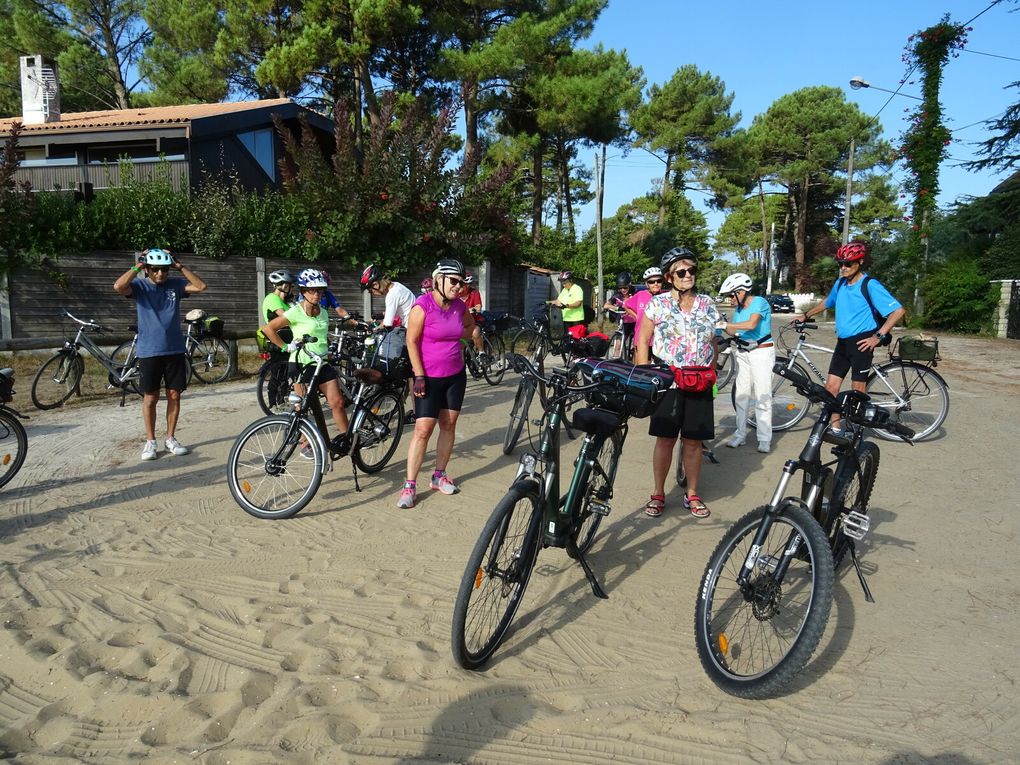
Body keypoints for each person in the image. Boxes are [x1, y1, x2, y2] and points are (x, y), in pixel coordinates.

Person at [634, 247, 719, 519]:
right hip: (669, 380)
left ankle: (692, 493)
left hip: (699, 380)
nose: (688, 275)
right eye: (682, 272)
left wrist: (713, 369)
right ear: (670, 277)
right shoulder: (656, 304)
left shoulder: (707, 304)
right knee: (665, 439)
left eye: (692, 270)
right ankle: (658, 493)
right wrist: (645, 374)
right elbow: (642, 340)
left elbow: (714, 340)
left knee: (694, 442)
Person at [397, 259, 484, 509]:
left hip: (455, 374)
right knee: (423, 429)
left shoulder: (459, 307)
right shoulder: (421, 306)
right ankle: (409, 486)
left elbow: (470, 326)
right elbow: (411, 341)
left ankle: (438, 476)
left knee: (448, 424)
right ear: (438, 280)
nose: (459, 287)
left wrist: (462, 336)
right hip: (428, 377)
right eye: (454, 281)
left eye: (461, 282)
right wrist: (419, 374)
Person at [793, 241, 905, 434]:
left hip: (862, 342)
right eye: (840, 264)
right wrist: (806, 315)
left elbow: (898, 311)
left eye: (848, 263)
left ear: (860, 262)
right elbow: (828, 302)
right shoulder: (841, 284)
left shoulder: (869, 285)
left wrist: (878, 336)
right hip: (843, 342)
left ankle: (858, 428)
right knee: (831, 388)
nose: (843, 267)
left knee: (857, 389)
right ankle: (836, 427)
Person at [113, 248, 207, 461]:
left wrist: (179, 266)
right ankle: (150, 441)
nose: (160, 274)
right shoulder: (139, 286)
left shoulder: (175, 284)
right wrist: (138, 265)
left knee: (174, 395)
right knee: (150, 397)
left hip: (174, 349)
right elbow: (118, 286)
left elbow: (201, 286)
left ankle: (171, 438)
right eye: (155, 270)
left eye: (164, 270)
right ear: (148, 270)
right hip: (149, 351)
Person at [261, 268, 349, 456]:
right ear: (303, 291)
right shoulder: (295, 312)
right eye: (312, 290)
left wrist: (330, 349)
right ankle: (304, 443)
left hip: (322, 363)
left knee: (338, 402)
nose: (317, 294)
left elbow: (322, 337)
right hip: (301, 364)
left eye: (320, 290)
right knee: (302, 407)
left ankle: (346, 440)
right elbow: (268, 329)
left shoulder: (323, 312)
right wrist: (285, 347)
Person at [718, 272, 775, 453]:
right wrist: (724, 328)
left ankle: (764, 439)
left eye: (731, 295)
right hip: (743, 353)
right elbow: (736, 333)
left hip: (762, 353)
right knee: (741, 395)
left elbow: (751, 325)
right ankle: (740, 434)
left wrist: (726, 326)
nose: (730, 300)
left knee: (762, 395)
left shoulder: (759, 302)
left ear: (741, 292)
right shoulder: (738, 310)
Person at [625, 267, 664, 359]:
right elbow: (627, 305)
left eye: (659, 281)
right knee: (641, 369)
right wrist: (637, 316)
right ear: (647, 284)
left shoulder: (665, 297)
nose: (655, 284)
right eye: (651, 282)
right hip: (642, 338)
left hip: (660, 340)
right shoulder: (640, 295)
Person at [360, 264, 416, 328]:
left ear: (375, 285)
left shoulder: (391, 295)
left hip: (410, 329)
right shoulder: (397, 285)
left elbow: (387, 324)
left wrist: (373, 330)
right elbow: (393, 310)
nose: (373, 294)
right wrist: (380, 315)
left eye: (371, 291)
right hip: (414, 324)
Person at [604, 271, 635, 350]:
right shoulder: (617, 295)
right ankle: (615, 359)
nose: (623, 290)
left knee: (636, 345)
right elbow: (606, 305)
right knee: (618, 344)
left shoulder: (635, 294)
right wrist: (617, 308)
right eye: (620, 288)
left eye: (625, 287)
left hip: (635, 322)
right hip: (623, 323)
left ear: (630, 285)